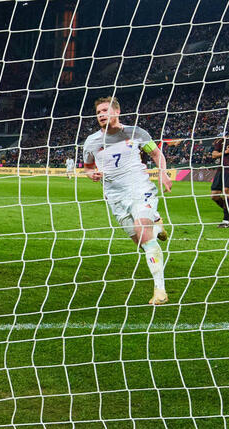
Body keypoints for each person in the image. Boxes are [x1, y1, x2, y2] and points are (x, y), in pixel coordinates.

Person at [83, 96, 172, 305]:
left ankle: (160, 290)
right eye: (98, 112)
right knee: (142, 241)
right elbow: (87, 167)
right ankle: (157, 225)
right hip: (115, 197)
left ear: (117, 112)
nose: (101, 115)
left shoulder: (136, 133)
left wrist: (163, 172)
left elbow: (156, 154)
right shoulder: (92, 142)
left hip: (140, 188)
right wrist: (91, 174)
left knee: (142, 231)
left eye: (105, 110)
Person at [210, 134, 229, 227]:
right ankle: (227, 210)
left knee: (226, 191)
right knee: (214, 195)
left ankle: (226, 220)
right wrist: (225, 152)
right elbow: (214, 155)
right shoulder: (221, 141)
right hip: (221, 170)